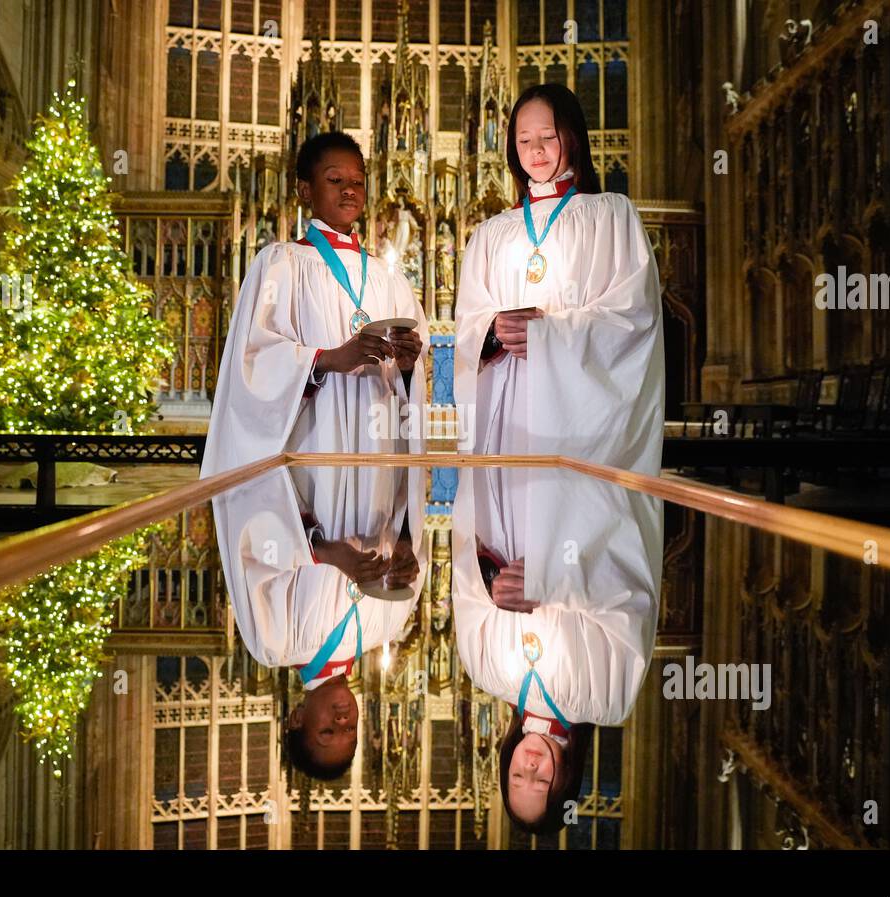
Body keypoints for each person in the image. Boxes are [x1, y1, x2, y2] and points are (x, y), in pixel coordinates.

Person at [454, 83, 664, 475]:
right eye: (524, 139)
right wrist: (494, 330)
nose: (536, 150)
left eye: (548, 137)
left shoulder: (611, 216)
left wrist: (550, 333)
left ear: (573, 138)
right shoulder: (491, 232)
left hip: (581, 422)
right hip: (509, 418)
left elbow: (635, 316)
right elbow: (468, 323)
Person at [200, 131, 428, 477]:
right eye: (335, 179)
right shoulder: (281, 264)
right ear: (304, 190)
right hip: (311, 449)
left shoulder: (388, 277)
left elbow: (414, 375)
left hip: (378, 452)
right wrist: (327, 359)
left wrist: (409, 365)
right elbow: (253, 361)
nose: (349, 189)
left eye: (357, 181)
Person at [452, 464, 662, 835]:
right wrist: (553, 585)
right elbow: (631, 601)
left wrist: (492, 586)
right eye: (541, 782)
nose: (530, 767)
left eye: (517, 776)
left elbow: (466, 586)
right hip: (582, 503)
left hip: (510, 503)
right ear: (566, 780)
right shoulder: (609, 699)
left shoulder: (485, 672)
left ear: (506, 763)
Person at [212, 463, 428, 780]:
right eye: (351, 729)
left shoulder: (274, 643)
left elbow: (249, 547)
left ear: (297, 718)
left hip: (315, 463)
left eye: (327, 730)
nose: (343, 720)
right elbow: (409, 518)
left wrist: (325, 552)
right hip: (377, 460)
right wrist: (406, 548)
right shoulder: (385, 629)